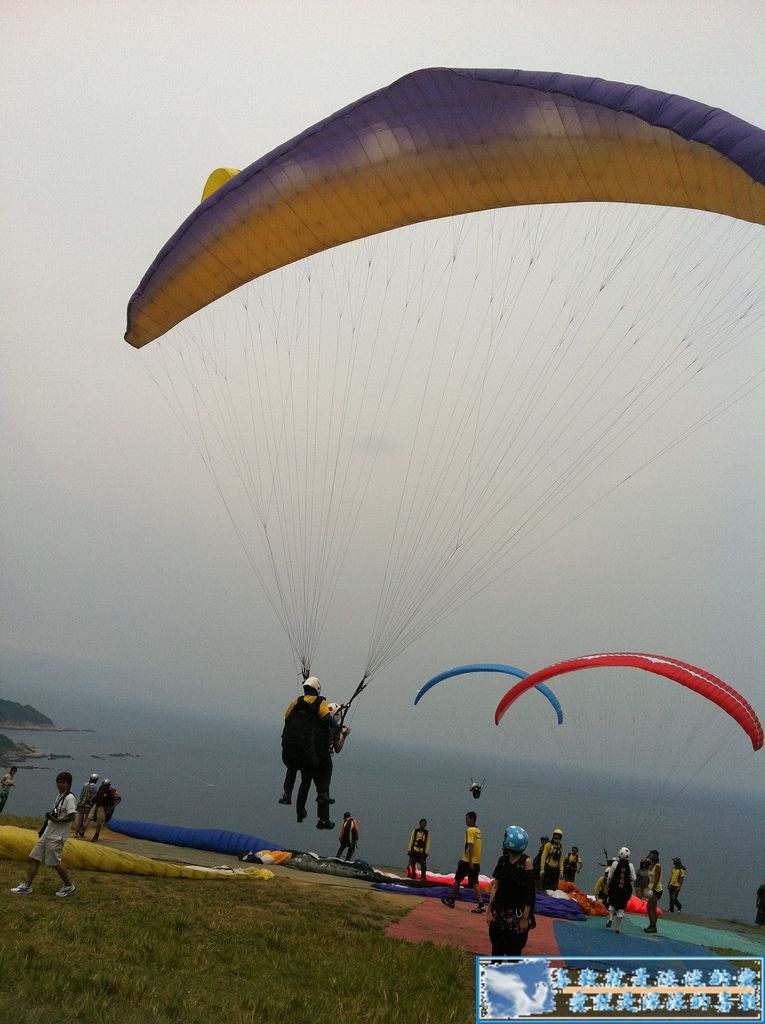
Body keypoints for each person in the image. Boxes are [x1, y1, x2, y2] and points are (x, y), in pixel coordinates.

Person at [10, 771, 76, 897]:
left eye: (63, 783)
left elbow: (72, 816)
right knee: (34, 858)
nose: (60, 785)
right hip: (48, 833)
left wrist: (57, 820)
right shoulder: (60, 796)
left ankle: (68, 885)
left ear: (69, 784)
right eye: (59, 782)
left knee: (54, 862)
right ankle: (27, 886)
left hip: (57, 836)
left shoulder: (69, 798)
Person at [280, 677, 342, 811]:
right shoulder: (320, 702)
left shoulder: (295, 702)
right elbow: (327, 717)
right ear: (317, 689)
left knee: (292, 767)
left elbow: (287, 718)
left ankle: (287, 794)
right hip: (308, 750)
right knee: (326, 767)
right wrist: (339, 728)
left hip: (290, 746)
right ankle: (322, 794)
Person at [295, 698, 349, 829]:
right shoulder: (334, 729)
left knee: (304, 784)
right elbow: (337, 749)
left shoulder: (315, 723)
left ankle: (300, 812)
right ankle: (323, 820)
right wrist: (344, 736)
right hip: (321, 761)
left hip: (307, 757)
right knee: (323, 790)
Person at [487, 825, 536, 955]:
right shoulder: (502, 861)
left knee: (514, 951)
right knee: (496, 949)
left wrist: (525, 917)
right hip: (500, 912)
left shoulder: (526, 863)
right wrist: (490, 910)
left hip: (517, 914)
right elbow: (496, 886)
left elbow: (530, 892)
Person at [441, 811, 485, 913]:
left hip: (467, 861)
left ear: (472, 819)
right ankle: (481, 904)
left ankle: (452, 900)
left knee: (457, 880)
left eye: (467, 819)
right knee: (475, 883)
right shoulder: (478, 831)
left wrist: (469, 861)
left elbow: (470, 845)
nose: (466, 821)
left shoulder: (469, 830)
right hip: (476, 861)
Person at [606, 847, 636, 933]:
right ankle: (617, 927)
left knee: (612, 903)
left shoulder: (615, 863)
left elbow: (610, 876)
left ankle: (610, 918)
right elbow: (634, 878)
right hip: (625, 890)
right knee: (621, 908)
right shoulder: (630, 865)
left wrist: (608, 884)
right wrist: (627, 878)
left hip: (615, 888)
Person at [643, 849, 663, 933]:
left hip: (656, 889)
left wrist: (652, 889)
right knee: (649, 907)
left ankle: (653, 927)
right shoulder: (651, 865)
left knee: (652, 908)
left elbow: (656, 879)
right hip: (651, 888)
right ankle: (651, 925)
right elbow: (649, 879)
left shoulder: (658, 866)